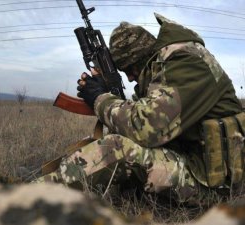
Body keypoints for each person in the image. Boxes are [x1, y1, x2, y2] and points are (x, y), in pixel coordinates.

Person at [32, 13, 244, 205]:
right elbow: (140, 115)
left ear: (142, 59)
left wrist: (100, 98)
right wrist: (109, 96)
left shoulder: (188, 61)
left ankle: (31, 196)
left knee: (117, 147)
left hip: (215, 185)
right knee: (115, 140)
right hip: (194, 164)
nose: (131, 78)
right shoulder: (169, 67)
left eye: (129, 70)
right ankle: (46, 178)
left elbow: (144, 129)